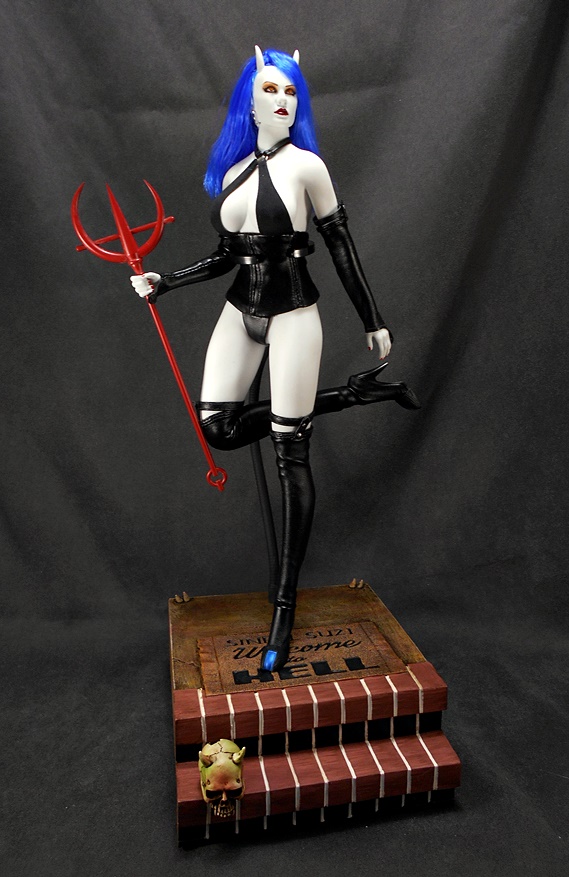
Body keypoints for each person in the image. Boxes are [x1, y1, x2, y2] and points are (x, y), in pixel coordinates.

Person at [130, 46, 420, 672]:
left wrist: (373, 320)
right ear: (250, 102)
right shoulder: (232, 168)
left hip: (294, 315)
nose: (283, 101)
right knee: (218, 428)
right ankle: (352, 394)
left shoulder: (309, 167)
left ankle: (284, 609)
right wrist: (166, 282)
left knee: (291, 452)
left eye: (292, 92)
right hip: (241, 311)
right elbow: (227, 256)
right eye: (271, 90)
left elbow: (341, 247)